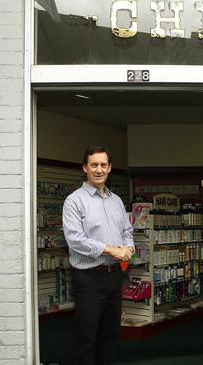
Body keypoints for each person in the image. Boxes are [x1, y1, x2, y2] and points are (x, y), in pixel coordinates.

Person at [62, 145, 134, 365]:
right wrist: (111, 249)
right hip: (89, 278)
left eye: (103, 165)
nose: (99, 169)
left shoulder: (116, 201)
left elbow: (127, 231)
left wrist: (128, 248)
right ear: (85, 168)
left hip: (114, 277)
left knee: (110, 335)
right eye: (94, 165)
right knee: (86, 337)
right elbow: (75, 240)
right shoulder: (74, 201)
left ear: (110, 168)